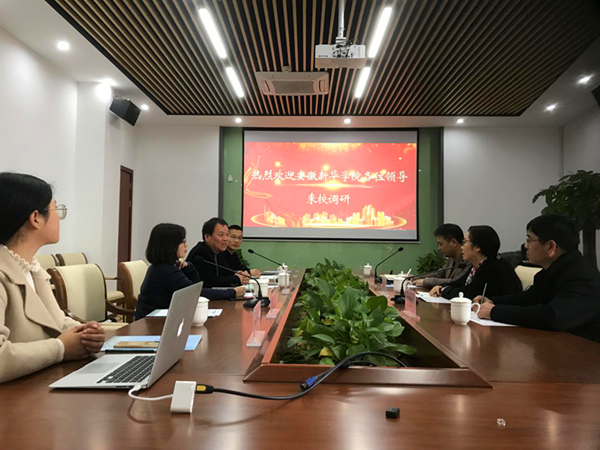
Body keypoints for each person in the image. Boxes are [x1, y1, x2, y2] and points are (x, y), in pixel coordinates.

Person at [0, 172, 105, 384]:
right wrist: (61, 348)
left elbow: (54, 321)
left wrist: (85, 334)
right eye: (56, 209)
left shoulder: (32, 268)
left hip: (38, 384)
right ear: (36, 218)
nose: (59, 217)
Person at [476, 215, 600, 342]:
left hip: (585, 349)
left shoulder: (582, 276)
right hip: (557, 342)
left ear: (550, 247)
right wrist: (492, 301)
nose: (525, 246)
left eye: (529, 240)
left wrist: (494, 312)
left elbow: (553, 316)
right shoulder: (555, 269)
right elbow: (529, 298)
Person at [135, 223, 245, 320]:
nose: (186, 245)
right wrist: (232, 292)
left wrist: (189, 267)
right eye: (183, 242)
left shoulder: (167, 267)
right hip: (151, 323)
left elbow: (196, 286)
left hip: (164, 319)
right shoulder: (165, 270)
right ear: (171, 245)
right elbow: (196, 292)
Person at [430, 225, 522, 300]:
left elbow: (468, 294)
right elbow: (459, 283)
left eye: (464, 242)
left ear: (477, 247)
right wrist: (441, 287)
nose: (462, 246)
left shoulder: (493, 268)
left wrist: (444, 290)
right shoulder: (477, 266)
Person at [187, 218, 250, 288]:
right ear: (207, 237)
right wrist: (236, 278)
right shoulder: (200, 253)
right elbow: (209, 281)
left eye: (227, 235)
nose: (225, 239)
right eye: (221, 235)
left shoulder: (219, 252)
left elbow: (226, 272)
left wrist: (240, 274)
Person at [413, 223, 471, 288]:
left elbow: (455, 281)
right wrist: (417, 277)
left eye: (441, 244)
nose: (439, 248)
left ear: (453, 242)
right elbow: (439, 274)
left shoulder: (469, 261)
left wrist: (425, 282)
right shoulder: (451, 259)